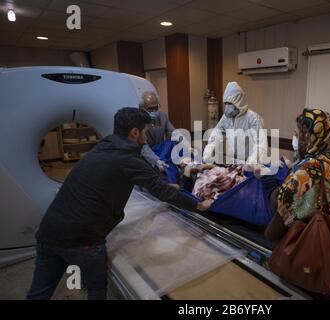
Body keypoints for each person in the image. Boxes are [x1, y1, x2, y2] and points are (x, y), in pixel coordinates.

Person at [26, 107, 213, 300]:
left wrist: (164, 187)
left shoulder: (102, 147)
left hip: (49, 231)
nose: (146, 138)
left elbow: (149, 184)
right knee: (97, 290)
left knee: (38, 294)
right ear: (134, 132)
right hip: (83, 240)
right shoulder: (128, 158)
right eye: (145, 132)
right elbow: (161, 191)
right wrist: (198, 205)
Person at [264, 108, 330, 300]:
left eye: (299, 134)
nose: (296, 139)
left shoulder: (308, 170)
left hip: (319, 256)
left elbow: (283, 204)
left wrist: (272, 189)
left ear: (310, 136)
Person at [203, 81, 267, 165]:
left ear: (238, 102)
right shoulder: (226, 118)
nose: (227, 106)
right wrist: (209, 149)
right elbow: (216, 133)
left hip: (251, 163)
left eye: (229, 103)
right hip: (233, 162)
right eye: (225, 103)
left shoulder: (252, 118)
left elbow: (260, 144)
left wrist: (251, 163)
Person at [140, 91, 176, 172]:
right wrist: (156, 160)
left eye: (156, 107)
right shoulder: (138, 120)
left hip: (160, 151)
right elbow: (143, 146)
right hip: (146, 157)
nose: (154, 111)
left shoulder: (162, 115)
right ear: (142, 108)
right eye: (150, 109)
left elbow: (173, 132)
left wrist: (185, 144)